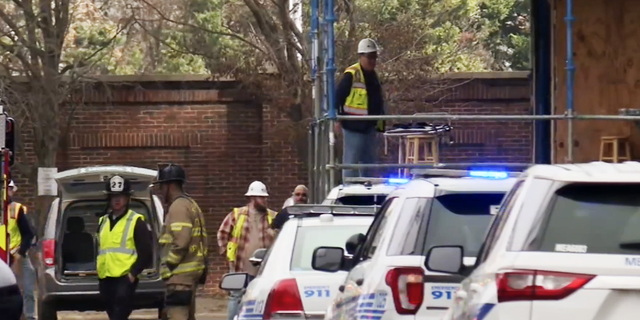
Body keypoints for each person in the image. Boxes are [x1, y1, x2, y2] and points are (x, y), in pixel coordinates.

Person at [153, 164, 208, 320]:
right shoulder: (191, 205)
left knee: (177, 316)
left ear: (169, 185)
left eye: (161, 187)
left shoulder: (178, 207)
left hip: (179, 276)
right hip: (190, 275)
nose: (161, 191)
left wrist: (168, 266)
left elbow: (181, 242)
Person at [217, 181, 278, 320]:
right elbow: (222, 234)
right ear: (252, 198)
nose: (265, 200)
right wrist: (227, 254)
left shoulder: (272, 217)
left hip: (262, 269)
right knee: (236, 297)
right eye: (262, 197)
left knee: (260, 299)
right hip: (240, 266)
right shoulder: (237, 215)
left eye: (265, 197)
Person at [97, 175, 153, 320]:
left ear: (128, 198)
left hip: (125, 279)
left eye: (121, 196)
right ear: (108, 198)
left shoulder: (136, 221)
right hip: (105, 278)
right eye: (114, 196)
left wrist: (133, 274)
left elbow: (146, 253)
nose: (117, 199)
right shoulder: (102, 221)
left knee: (119, 315)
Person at [336, 38, 386, 179]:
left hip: (370, 126)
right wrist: (337, 118)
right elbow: (338, 96)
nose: (372, 61)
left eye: (374, 57)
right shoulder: (352, 74)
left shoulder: (373, 76)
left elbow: (377, 100)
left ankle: (368, 192)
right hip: (353, 126)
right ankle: (349, 191)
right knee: (351, 163)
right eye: (369, 57)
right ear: (361, 56)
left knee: (369, 163)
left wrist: (380, 124)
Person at [5, 180, 36, 320]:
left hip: (17, 255)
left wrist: (21, 253)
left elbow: (28, 234)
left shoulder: (16, 209)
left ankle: (29, 316)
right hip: (2, 258)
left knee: (28, 289)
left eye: (10, 189)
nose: (8, 191)